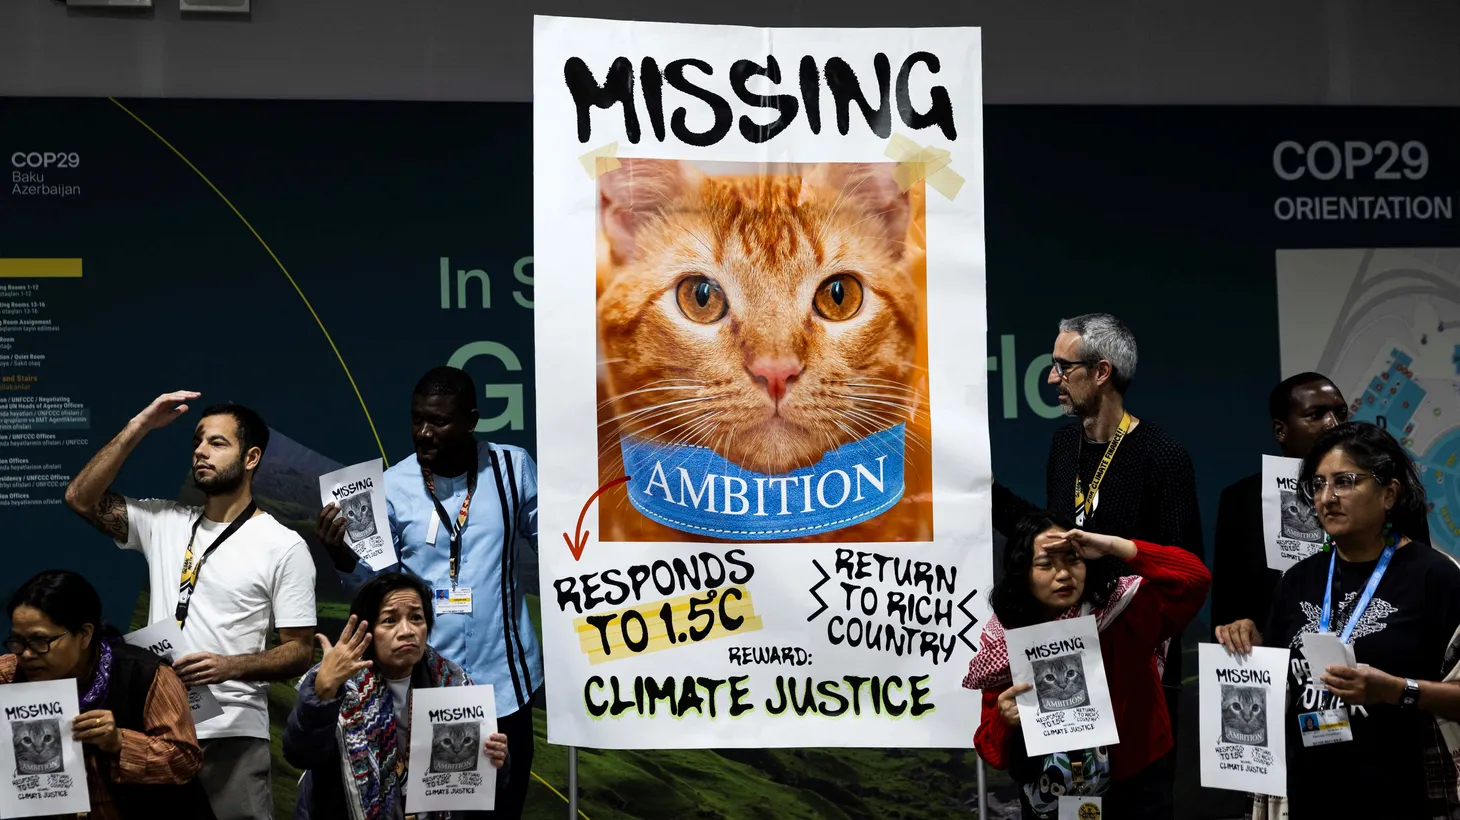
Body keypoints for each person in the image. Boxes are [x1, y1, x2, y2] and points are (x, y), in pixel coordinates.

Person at [63, 392, 318, 820]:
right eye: (198, 441)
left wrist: (228, 666)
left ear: (251, 457)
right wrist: (139, 424)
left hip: (231, 732)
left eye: (218, 443)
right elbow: (81, 498)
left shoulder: (284, 546)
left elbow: (299, 651)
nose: (201, 450)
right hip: (156, 731)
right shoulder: (165, 521)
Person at [316, 366, 540, 819]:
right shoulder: (393, 487)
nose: (424, 432)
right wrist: (342, 556)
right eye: (417, 419)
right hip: (430, 685)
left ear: (472, 420)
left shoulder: (513, 468)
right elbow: (379, 589)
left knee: (503, 809)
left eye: (438, 422)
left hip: (505, 687)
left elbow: (561, 544)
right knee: (435, 814)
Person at [1216, 421, 1460, 819]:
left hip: (1404, 798)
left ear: (1389, 493)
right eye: (1318, 484)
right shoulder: (1297, 581)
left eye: (1345, 481)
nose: (1327, 497)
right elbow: (1281, 687)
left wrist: (1396, 690)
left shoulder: (1438, 577)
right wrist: (1248, 648)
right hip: (1309, 796)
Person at [991, 313, 1202, 736]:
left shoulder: (1162, 455)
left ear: (1102, 372)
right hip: (1067, 655)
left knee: (1134, 796)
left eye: (1063, 367)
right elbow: (1048, 534)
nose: (1052, 379)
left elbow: (1184, 570)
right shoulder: (1064, 444)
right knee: (1068, 794)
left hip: (1135, 665)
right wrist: (986, 490)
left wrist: (1108, 553)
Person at [964, 512, 1210, 819]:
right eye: (1045, 564)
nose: (1063, 574)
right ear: (1022, 572)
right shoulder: (1007, 641)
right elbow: (991, 752)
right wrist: (1006, 720)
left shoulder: (1122, 611)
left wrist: (1113, 545)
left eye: (1073, 559)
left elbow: (1195, 578)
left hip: (1135, 788)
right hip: (1049, 795)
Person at [283, 572, 509, 819]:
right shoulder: (338, 682)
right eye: (390, 620)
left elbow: (479, 789)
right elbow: (299, 754)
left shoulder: (453, 683)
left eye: (416, 618)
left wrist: (496, 760)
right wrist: (323, 692)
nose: (407, 631)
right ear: (366, 630)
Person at [0, 570, 215, 819]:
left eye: (40, 641)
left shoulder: (145, 675)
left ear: (84, 635)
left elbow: (184, 761)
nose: (26, 654)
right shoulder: (10, 674)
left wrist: (120, 743)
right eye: (17, 641)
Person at [1210, 372, 1349, 633]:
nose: (1334, 424)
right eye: (1316, 415)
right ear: (1281, 430)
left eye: (1341, 413)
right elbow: (1228, 603)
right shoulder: (1241, 500)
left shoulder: (1384, 491)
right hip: (1276, 656)